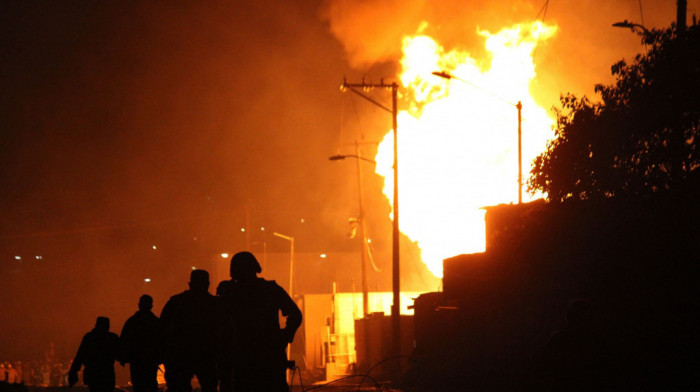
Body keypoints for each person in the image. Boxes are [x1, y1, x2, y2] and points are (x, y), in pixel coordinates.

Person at [218, 251, 302, 392]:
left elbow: (217, 323)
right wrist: (284, 336)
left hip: (242, 357)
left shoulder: (231, 293)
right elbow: (295, 315)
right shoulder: (271, 289)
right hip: (269, 356)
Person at [160, 270, 219, 392]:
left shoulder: (176, 302)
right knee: (209, 386)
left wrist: (164, 353)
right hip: (207, 354)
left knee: (179, 386)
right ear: (207, 284)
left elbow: (163, 328)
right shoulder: (214, 304)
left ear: (190, 283)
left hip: (181, 354)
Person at [120, 295, 162, 392]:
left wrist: (123, 357)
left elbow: (124, 340)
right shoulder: (156, 322)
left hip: (136, 360)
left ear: (139, 305)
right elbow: (163, 340)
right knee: (150, 383)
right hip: (151, 360)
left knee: (138, 385)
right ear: (151, 306)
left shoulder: (132, 322)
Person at [68, 317, 120, 392]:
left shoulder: (89, 337)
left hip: (92, 373)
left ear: (96, 324)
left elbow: (80, 355)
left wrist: (73, 370)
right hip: (107, 373)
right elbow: (120, 353)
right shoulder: (112, 338)